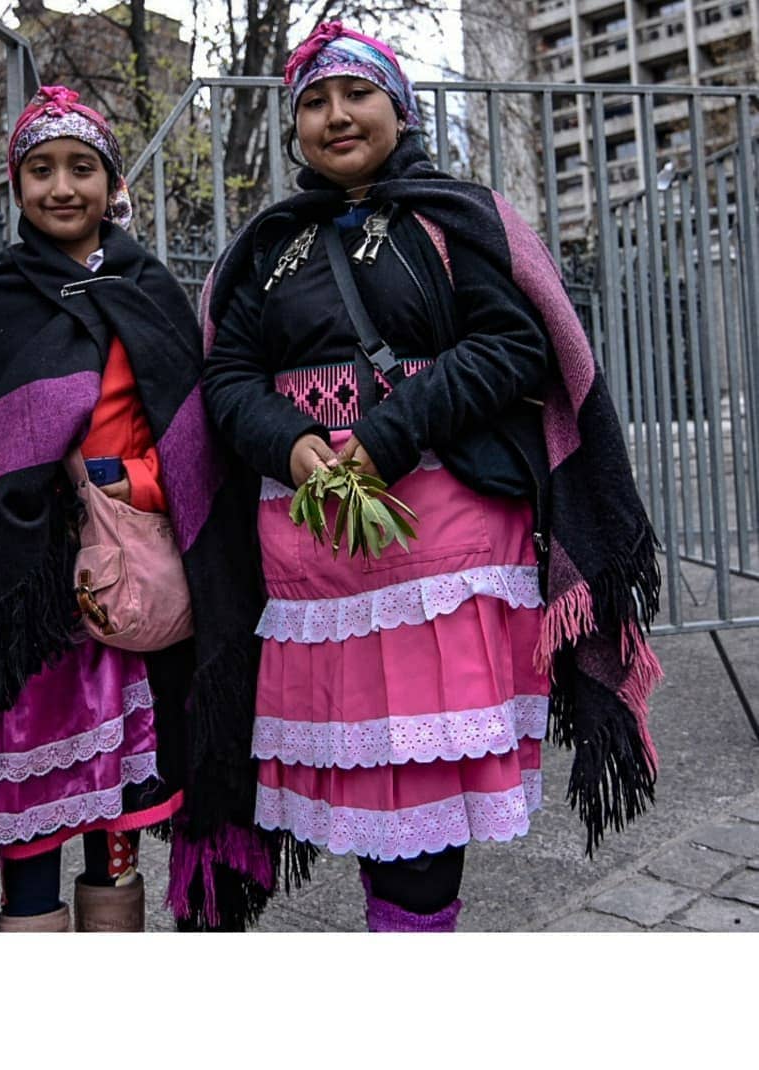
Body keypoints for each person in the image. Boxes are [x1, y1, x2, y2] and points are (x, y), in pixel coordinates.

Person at [201, 22, 662, 932]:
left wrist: (389, 433)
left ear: (398, 106)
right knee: (372, 788)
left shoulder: (458, 220)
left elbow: (515, 343)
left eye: (355, 94)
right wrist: (292, 444)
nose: (336, 116)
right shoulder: (266, 250)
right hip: (313, 548)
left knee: (419, 798)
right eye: (314, 103)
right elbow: (228, 377)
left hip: (439, 548)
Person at [0, 85, 296, 932]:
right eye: (40, 170)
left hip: (135, 604)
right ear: (17, 187)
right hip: (28, 614)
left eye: (81, 169)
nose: (62, 188)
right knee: (35, 806)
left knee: (119, 810)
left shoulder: (151, 294)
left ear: (111, 183)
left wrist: (137, 484)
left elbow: (196, 444)